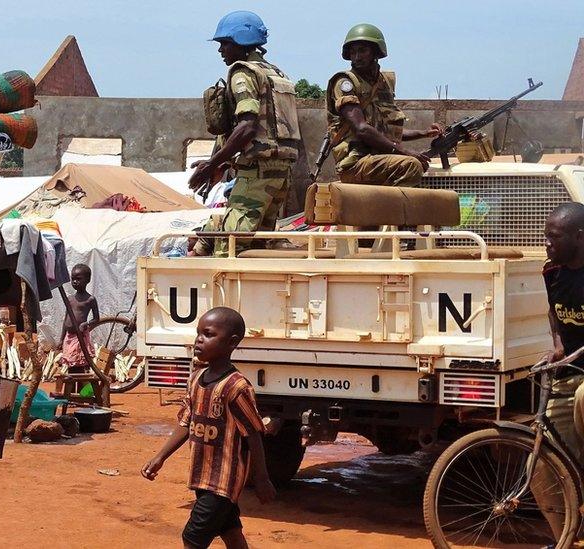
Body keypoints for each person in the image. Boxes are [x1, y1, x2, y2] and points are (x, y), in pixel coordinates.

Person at [142, 307, 275, 549]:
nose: (199, 340)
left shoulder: (236, 388)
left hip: (224, 481)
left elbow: (253, 435)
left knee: (192, 538)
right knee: (230, 531)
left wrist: (262, 478)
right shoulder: (195, 379)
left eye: (209, 334)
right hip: (202, 475)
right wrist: (160, 457)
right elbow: (186, 422)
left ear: (231, 343)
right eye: (198, 333)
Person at [189, 10, 300, 257]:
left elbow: (248, 126)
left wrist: (212, 164)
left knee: (230, 244)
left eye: (225, 44)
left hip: (257, 170)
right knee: (260, 241)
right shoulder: (277, 74)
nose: (221, 51)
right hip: (282, 168)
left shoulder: (244, 72)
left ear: (240, 41)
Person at [326, 23, 443, 187]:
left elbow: (387, 133)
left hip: (379, 159)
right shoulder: (345, 82)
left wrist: (424, 133)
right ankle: (388, 213)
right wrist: (404, 151)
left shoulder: (384, 83)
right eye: (353, 52)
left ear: (376, 52)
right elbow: (362, 129)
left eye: (362, 50)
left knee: (422, 166)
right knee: (411, 166)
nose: (356, 57)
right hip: (356, 163)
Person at [534, 203, 584, 539]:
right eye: (546, 236)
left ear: (579, 237)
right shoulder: (552, 272)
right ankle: (566, 538)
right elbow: (554, 312)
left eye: (554, 237)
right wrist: (557, 345)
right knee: (538, 463)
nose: (547, 243)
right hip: (569, 373)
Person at [57, 264, 100, 373]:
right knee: (71, 365)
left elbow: (96, 319)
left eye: (79, 279)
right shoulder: (70, 299)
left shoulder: (90, 299)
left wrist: (85, 324)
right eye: (73, 279)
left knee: (79, 365)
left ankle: (81, 388)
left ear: (88, 280)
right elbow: (66, 319)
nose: (75, 282)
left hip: (79, 336)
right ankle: (72, 388)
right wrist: (61, 339)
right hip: (69, 337)